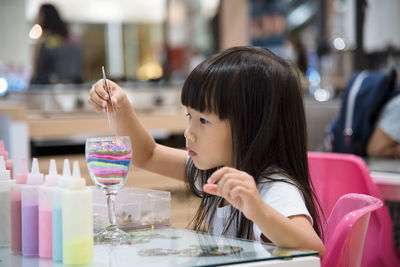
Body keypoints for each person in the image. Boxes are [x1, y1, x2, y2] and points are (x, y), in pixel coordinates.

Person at [88, 46, 326, 255]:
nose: (188, 133)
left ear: (252, 126)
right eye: (189, 116)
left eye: (203, 121)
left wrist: (259, 210)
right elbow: (147, 155)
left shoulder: (274, 188)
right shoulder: (217, 172)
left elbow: (314, 249)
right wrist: (122, 107)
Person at [31, 4, 83, 84]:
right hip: (73, 87)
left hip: (51, 89)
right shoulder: (72, 40)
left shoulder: (47, 42)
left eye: (39, 15)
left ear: (45, 17)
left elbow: (40, 73)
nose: (37, 18)